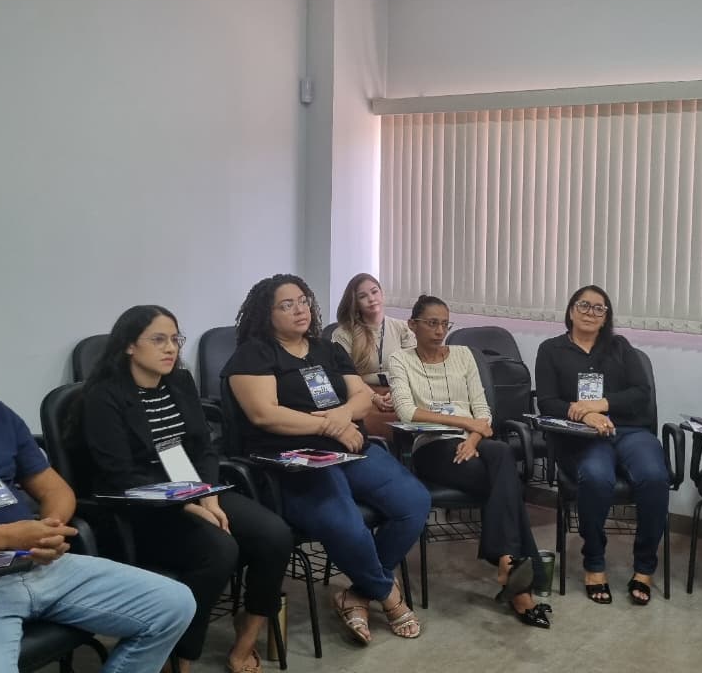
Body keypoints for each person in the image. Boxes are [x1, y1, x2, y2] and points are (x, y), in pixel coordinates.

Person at [0, 311, 195, 673]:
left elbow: (54, 487)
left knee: (174, 604)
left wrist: (49, 529)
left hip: (38, 563)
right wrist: (5, 537)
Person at [80, 305, 294, 673]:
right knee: (219, 549)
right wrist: (187, 505)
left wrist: (207, 493)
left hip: (195, 489)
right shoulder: (103, 396)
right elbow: (118, 476)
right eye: (158, 340)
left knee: (275, 534)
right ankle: (181, 654)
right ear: (130, 346)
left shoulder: (179, 383)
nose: (171, 348)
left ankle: (246, 636)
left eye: (175, 339)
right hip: (141, 507)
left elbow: (203, 449)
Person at [222, 274, 430, 644]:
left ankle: (358, 593)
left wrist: (339, 419)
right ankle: (388, 596)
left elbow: (362, 398)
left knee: (415, 501)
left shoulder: (327, 349)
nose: (299, 309)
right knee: (346, 525)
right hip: (292, 460)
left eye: (303, 300)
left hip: (349, 447)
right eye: (287, 304)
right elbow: (264, 414)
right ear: (266, 313)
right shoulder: (253, 354)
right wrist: (331, 427)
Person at [387, 295, 551, 629]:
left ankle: (506, 560)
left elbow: (483, 410)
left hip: (473, 442)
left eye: (445, 323)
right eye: (432, 323)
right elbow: (407, 411)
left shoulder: (464, 355)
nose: (439, 330)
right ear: (413, 324)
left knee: (503, 454)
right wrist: (466, 425)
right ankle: (516, 580)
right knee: (504, 479)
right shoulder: (400, 360)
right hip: (432, 446)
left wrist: (475, 436)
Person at [535, 285, 669, 606]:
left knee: (654, 476)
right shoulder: (551, 350)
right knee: (596, 478)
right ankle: (594, 561)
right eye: (584, 305)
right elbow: (547, 402)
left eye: (600, 308)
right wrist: (583, 414)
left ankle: (645, 566)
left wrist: (601, 405)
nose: (591, 313)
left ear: (606, 316)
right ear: (570, 310)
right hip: (582, 436)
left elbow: (641, 393)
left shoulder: (620, 347)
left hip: (630, 431)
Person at [332, 273, 416, 434]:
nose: (371, 298)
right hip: (361, 394)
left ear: (382, 294)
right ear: (355, 303)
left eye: (374, 291)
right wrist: (374, 397)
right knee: (373, 424)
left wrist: (396, 392)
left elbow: (412, 368)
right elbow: (345, 376)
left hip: (399, 391)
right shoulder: (343, 334)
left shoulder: (402, 328)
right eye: (363, 296)